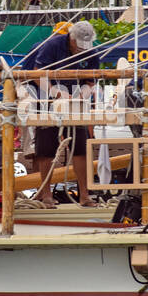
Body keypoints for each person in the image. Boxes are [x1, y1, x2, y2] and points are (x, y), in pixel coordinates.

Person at [26, 19, 97, 205]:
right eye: (80, 44)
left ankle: (84, 195)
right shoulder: (51, 46)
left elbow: (91, 80)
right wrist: (55, 92)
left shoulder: (91, 50)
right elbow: (37, 73)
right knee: (46, 150)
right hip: (47, 102)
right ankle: (46, 194)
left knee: (80, 148)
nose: (83, 48)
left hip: (76, 103)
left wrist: (83, 94)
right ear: (71, 38)